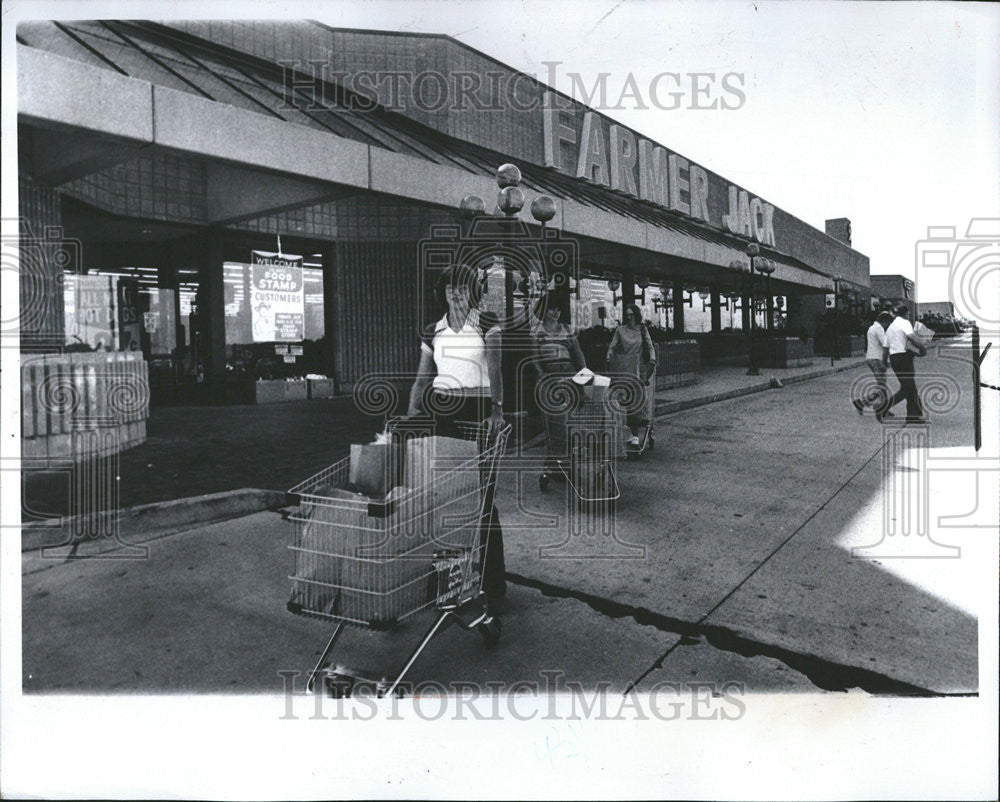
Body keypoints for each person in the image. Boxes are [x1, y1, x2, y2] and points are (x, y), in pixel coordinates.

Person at [405, 264, 506, 614]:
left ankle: (493, 585)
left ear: (472, 291)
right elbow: (422, 379)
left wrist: (497, 410)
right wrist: (410, 413)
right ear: (443, 291)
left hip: (479, 415)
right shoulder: (434, 330)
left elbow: (496, 369)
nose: (456, 292)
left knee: (481, 503)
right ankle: (451, 584)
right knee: (448, 501)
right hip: (444, 416)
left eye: (462, 287)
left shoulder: (487, 324)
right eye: (450, 287)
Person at [605, 303, 656, 446]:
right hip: (624, 367)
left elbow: (649, 345)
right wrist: (609, 357)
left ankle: (634, 434)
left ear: (637, 315)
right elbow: (612, 346)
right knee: (623, 399)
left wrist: (652, 360)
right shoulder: (620, 330)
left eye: (632, 315)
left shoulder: (642, 329)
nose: (629, 317)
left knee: (635, 399)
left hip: (639, 368)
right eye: (627, 315)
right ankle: (628, 432)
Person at [881, 304, 928, 424]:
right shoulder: (905, 323)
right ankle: (883, 407)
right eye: (908, 314)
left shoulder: (891, 327)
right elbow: (911, 337)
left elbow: (885, 347)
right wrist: (922, 348)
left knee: (910, 387)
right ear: (906, 313)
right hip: (904, 358)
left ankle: (913, 416)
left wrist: (884, 362)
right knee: (907, 388)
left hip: (894, 358)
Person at [853, 310, 894, 416]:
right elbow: (885, 344)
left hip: (870, 357)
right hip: (877, 359)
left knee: (881, 385)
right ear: (884, 321)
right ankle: (864, 403)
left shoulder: (871, 328)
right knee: (882, 386)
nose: (888, 325)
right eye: (888, 323)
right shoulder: (879, 328)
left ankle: (868, 405)